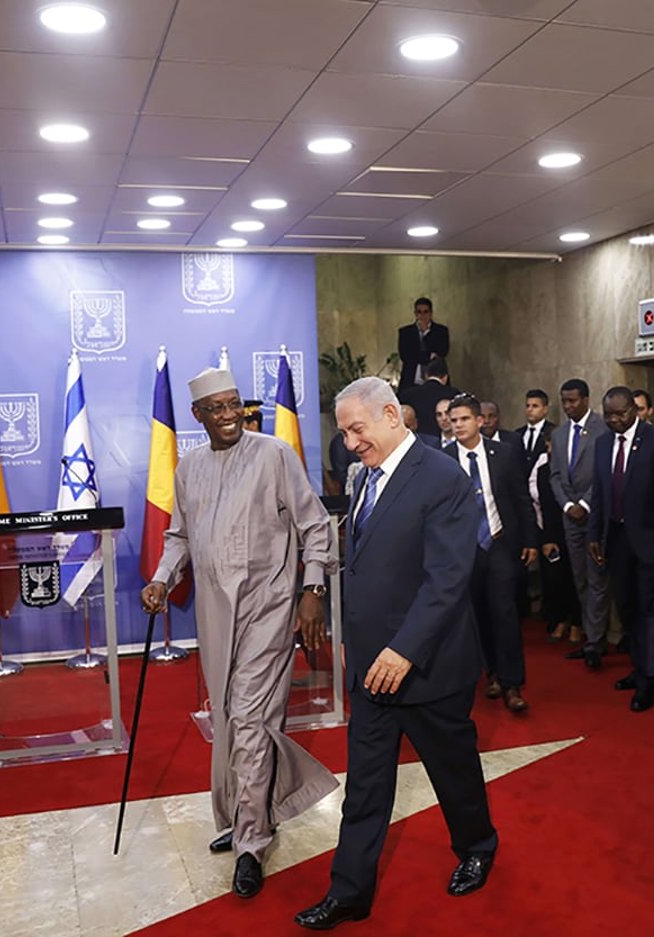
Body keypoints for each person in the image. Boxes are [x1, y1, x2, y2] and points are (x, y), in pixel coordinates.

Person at [295, 377, 497, 930]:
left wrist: (404, 650)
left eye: (357, 430)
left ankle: (477, 847)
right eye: (343, 433)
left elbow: (448, 578)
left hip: (428, 667)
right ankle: (350, 892)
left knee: (453, 774)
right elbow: (363, 570)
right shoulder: (364, 477)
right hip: (370, 669)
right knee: (365, 786)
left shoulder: (442, 477)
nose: (351, 443)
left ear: (390, 415)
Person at [140, 367, 339, 900]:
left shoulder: (274, 453)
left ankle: (252, 841)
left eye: (236, 406)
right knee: (228, 718)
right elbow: (180, 535)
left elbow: (314, 524)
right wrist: (161, 579)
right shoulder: (189, 467)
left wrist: (312, 590)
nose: (230, 416)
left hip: (268, 607)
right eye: (219, 408)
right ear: (198, 415)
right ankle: (241, 813)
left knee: (251, 717)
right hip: (213, 612)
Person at [587, 387, 654, 711]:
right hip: (615, 539)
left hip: (650, 543)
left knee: (649, 611)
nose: (615, 420)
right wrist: (593, 535)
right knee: (627, 609)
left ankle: (649, 679)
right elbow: (598, 493)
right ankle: (640, 666)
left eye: (621, 413)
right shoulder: (601, 445)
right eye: (609, 414)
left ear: (634, 410)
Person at [446, 393, 538, 712]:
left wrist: (530, 541)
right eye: (452, 420)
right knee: (478, 614)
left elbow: (521, 499)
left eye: (463, 419)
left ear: (479, 421)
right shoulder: (442, 459)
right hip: (464, 549)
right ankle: (492, 673)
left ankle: (513, 684)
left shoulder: (506, 453)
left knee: (505, 613)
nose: (457, 425)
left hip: (500, 543)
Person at [549, 378, 611, 668]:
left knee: (598, 577)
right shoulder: (560, 434)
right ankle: (590, 635)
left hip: (595, 513)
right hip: (570, 516)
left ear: (586, 400)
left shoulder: (603, 428)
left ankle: (596, 641)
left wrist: (585, 503)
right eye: (564, 401)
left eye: (573, 401)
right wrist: (567, 504)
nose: (568, 406)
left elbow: (604, 473)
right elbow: (555, 476)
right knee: (580, 577)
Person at [530, 436, 582, 644]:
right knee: (555, 580)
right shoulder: (544, 471)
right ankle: (561, 619)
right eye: (551, 445)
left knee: (576, 579)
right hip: (553, 533)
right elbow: (544, 507)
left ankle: (578, 623)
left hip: (578, 528)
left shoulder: (575, 467)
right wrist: (547, 538)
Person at [397, 297, 450, 387]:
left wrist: (425, 334)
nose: (422, 315)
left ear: (431, 313)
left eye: (426, 312)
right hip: (411, 381)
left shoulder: (440, 331)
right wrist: (429, 355)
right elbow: (405, 356)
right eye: (419, 312)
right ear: (415, 313)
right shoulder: (406, 333)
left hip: (435, 380)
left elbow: (442, 352)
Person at [399, 357, 456, 439]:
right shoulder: (454, 395)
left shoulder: (406, 395)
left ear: (425, 375)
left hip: (417, 442)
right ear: (445, 377)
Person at [517, 388, 555, 473]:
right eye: (527, 406)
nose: (530, 410)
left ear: (545, 409)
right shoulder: (517, 434)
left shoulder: (553, 432)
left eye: (535, 406)